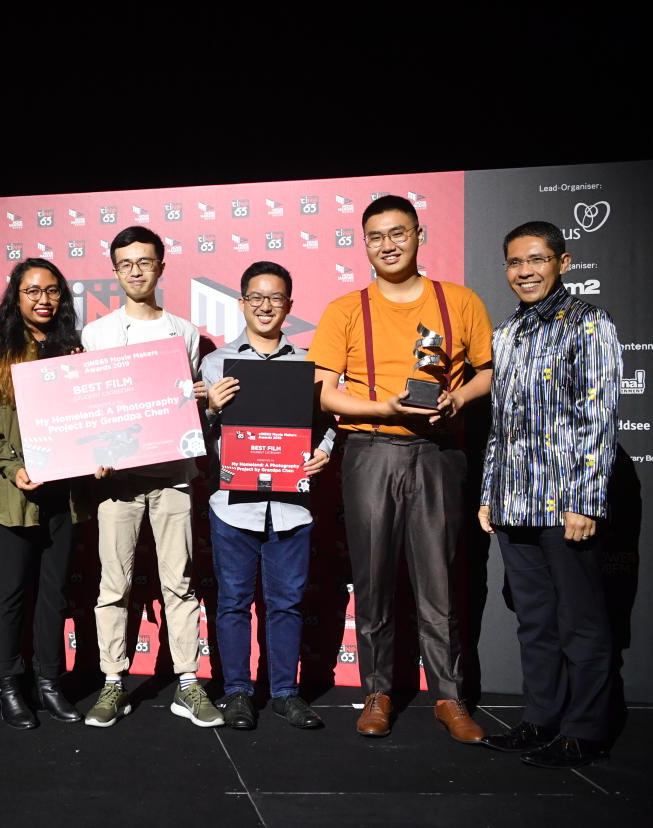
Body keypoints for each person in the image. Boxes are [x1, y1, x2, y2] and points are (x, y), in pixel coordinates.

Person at [306, 195, 493, 742]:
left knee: (440, 579)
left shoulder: (459, 301)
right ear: (364, 244)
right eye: (376, 237)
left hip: (439, 455)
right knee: (374, 579)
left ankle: (450, 697)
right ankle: (377, 691)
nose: (388, 245)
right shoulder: (345, 309)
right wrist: (386, 409)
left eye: (398, 233)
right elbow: (326, 395)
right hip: (371, 451)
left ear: (419, 234)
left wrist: (459, 399)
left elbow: (486, 371)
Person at [478, 221, 621, 768]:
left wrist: (586, 501)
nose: (525, 271)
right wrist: (489, 491)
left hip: (566, 506)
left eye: (536, 260)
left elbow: (598, 416)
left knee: (580, 621)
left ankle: (586, 729)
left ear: (562, 262)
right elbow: (500, 424)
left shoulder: (590, 324)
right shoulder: (507, 333)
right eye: (515, 263)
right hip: (514, 503)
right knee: (535, 621)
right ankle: (541, 719)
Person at [78, 225, 221, 729]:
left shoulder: (183, 332)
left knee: (178, 584)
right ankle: (113, 681)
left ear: (161, 266)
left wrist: (203, 400)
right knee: (112, 585)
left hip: (173, 477)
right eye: (125, 264)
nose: (136, 271)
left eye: (145, 262)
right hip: (117, 482)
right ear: (115, 271)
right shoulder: (94, 334)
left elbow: (187, 404)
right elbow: (91, 407)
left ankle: (187, 681)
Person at [202, 261, 333, 730]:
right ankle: (237, 692)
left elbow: (327, 426)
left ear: (289, 307)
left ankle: (285, 692)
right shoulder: (215, 363)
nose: (265, 305)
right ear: (241, 303)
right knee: (234, 601)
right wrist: (210, 410)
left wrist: (322, 453)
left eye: (275, 298)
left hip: (292, 507)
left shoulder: (307, 364)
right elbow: (195, 437)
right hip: (233, 506)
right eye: (256, 297)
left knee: (288, 603)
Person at [0, 257, 86, 730]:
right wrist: (12, 469)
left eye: (52, 291)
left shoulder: (73, 351)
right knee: (10, 593)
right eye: (33, 290)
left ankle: (49, 684)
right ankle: (9, 687)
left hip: (62, 493)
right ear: (16, 297)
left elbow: (87, 421)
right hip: (13, 494)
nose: (43, 299)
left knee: (53, 594)